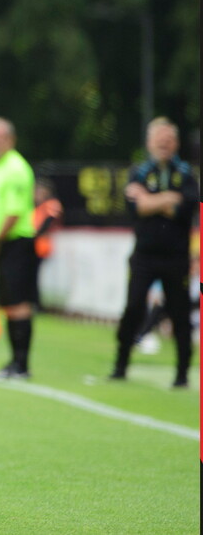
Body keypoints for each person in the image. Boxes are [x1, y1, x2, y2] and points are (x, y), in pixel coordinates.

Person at [109, 117, 198, 388]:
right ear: (149, 143)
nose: (164, 145)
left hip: (176, 257)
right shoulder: (138, 172)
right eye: (159, 140)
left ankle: (181, 373)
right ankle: (121, 364)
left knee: (179, 314)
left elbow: (185, 208)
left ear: (176, 144)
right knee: (134, 308)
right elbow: (136, 209)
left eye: (168, 140)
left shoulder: (185, 174)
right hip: (144, 255)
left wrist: (150, 200)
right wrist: (168, 199)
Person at [0, 117, 37, 379]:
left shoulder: (16, 168)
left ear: (10, 140)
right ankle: (14, 362)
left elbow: (13, 213)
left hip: (16, 242)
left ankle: (22, 364)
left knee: (19, 302)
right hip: (1, 243)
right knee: (9, 303)